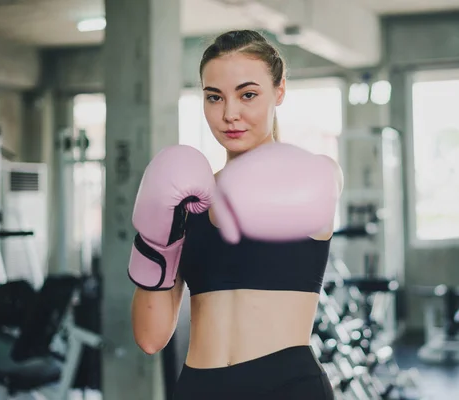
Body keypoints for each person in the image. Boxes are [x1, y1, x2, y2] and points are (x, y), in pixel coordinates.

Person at [128, 30, 343, 400]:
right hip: (199, 388)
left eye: (248, 94)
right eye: (215, 97)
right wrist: (155, 240)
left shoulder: (311, 179)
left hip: (287, 389)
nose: (230, 114)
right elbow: (150, 338)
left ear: (279, 92)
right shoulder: (188, 199)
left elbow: (329, 182)